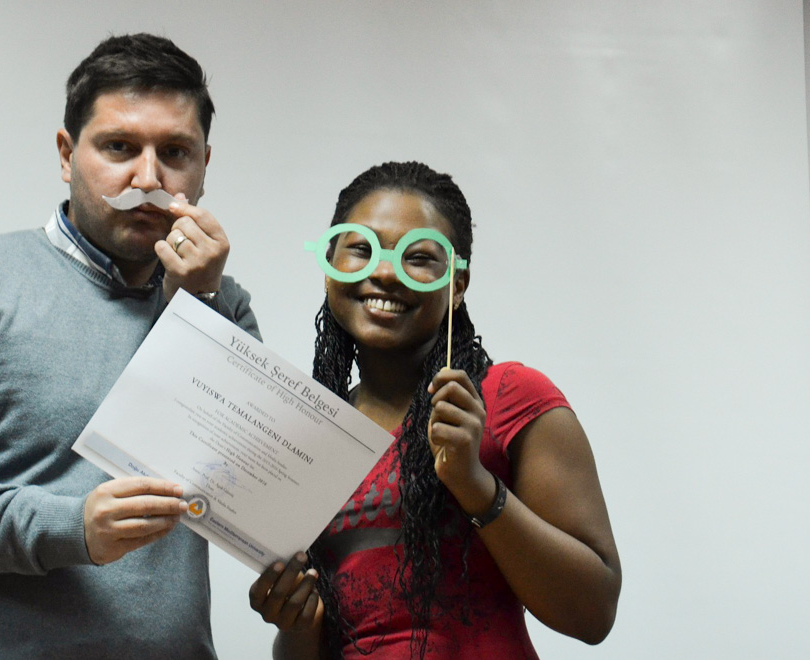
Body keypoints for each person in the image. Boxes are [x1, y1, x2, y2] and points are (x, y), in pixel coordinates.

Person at [0, 33, 257, 659]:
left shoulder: (220, 303)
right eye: (119, 147)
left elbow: (244, 491)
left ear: (205, 165)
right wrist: (71, 527)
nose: (148, 178)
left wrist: (195, 308)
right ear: (67, 156)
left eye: (175, 152)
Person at [248, 162, 620, 659]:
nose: (384, 272)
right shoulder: (315, 436)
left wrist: (474, 484)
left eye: (418, 257)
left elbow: (593, 613)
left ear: (457, 284)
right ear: (329, 264)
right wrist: (295, 624)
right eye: (361, 249)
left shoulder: (510, 397)